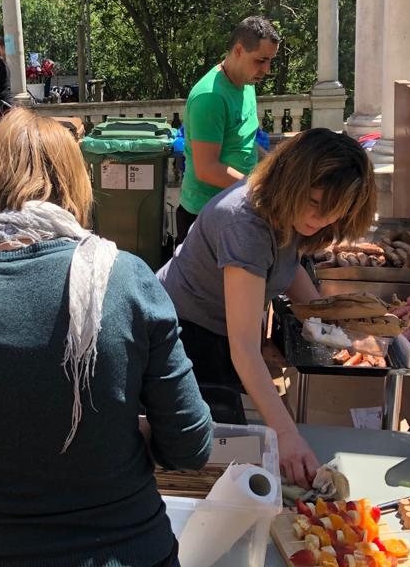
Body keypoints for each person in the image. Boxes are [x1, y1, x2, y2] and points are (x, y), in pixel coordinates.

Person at [0, 108, 212, 566]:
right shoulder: (129, 280)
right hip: (135, 550)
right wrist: (123, 434)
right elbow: (191, 444)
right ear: (77, 187)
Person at [157, 128, 376, 487]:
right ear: (292, 180)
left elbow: (286, 269)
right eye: (317, 205)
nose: (321, 220)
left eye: (334, 213)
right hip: (183, 331)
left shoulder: (289, 209)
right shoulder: (244, 222)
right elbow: (243, 348)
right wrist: (287, 436)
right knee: (204, 455)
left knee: (232, 438)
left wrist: (334, 319)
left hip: (220, 330)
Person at [177, 16, 281, 244]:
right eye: (261, 60)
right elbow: (207, 169)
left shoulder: (246, 84)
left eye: (270, 61)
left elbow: (243, 142)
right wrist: (259, 189)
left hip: (237, 203)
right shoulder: (210, 97)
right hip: (205, 215)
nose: (267, 70)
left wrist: (275, 168)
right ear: (238, 50)